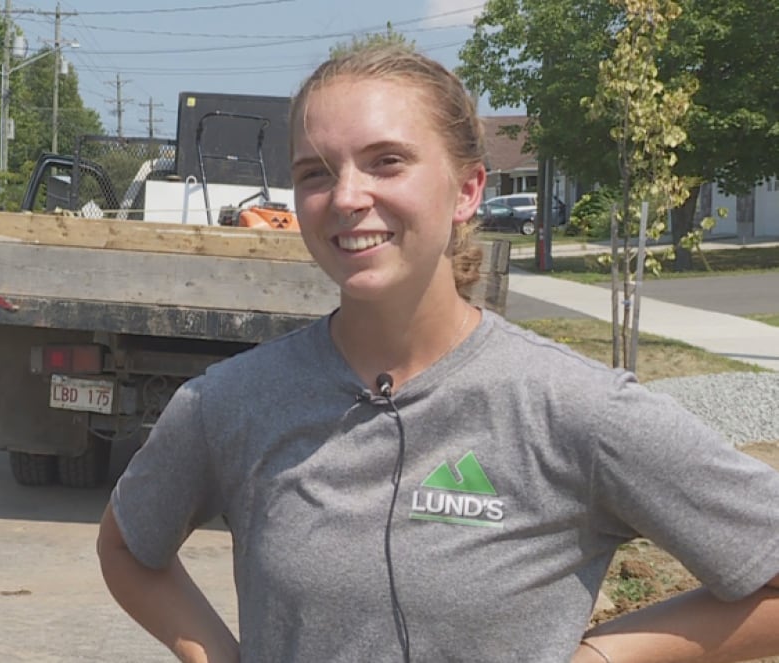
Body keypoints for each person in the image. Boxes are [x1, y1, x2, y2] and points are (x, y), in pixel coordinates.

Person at [97, 44, 779, 663]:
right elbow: (127, 546)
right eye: (315, 172)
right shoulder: (231, 401)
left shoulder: (574, 408)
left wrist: (603, 659)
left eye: (386, 161)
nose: (346, 196)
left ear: (468, 188)